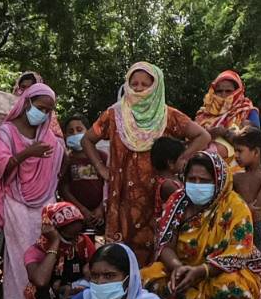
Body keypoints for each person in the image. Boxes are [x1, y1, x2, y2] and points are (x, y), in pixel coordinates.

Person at [82, 62, 211, 256]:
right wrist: (101, 169)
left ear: (156, 86)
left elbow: (203, 136)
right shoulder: (114, 115)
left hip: (157, 196)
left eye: (145, 84)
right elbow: (87, 140)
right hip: (122, 197)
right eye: (134, 84)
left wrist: (182, 159)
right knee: (121, 256)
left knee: (157, 251)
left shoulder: (168, 115)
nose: (139, 89)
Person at [142, 151, 261, 299]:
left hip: (222, 271)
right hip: (181, 267)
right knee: (147, 280)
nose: (197, 185)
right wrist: (178, 268)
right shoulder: (177, 201)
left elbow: (238, 252)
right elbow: (165, 244)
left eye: (204, 180)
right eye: (192, 179)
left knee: (232, 288)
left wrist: (201, 271)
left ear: (219, 181)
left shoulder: (235, 206)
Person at [0, 81, 64, 299]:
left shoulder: (48, 135)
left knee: (47, 252)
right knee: (19, 259)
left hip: (45, 202)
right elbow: (1, 167)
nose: (42, 114)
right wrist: (28, 153)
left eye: (48, 110)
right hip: (16, 201)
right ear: (27, 103)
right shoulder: (7, 132)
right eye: (40, 107)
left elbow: (57, 165)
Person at [23, 201, 96, 299]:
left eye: (76, 235)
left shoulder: (83, 242)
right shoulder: (35, 251)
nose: (74, 241)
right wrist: (55, 242)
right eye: (68, 237)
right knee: (39, 297)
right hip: (49, 298)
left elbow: (94, 270)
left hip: (76, 293)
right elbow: (41, 281)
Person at [230, 129, 261, 254]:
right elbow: (227, 202)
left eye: (240, 151)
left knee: (254, 261)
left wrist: (238, 208)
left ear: (256, 152)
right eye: (235, 151)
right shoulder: (234, 177)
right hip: (234, 224)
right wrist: (245, 207)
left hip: (254, 227)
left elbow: (257, 210)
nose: (236, 155)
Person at [58, 113, 105, 222]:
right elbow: (64, 189)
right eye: (71, 132)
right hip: (76, 215)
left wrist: (101, 208)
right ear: (65, 136)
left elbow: (109, 186)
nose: (75, 133)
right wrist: (82, 210)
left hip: (101, 213)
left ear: (88, 132)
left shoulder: (102, 156)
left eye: (79, 130)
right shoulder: (66, 161)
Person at [150, 135, 187, 207]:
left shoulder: (174, 179)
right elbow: (185, 203)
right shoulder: (168, 185)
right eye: (182, 159)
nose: (185, 162)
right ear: (171, 163)